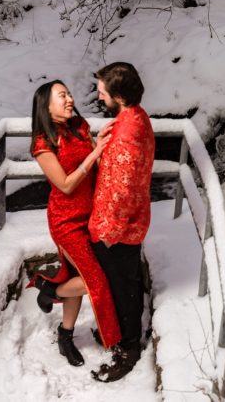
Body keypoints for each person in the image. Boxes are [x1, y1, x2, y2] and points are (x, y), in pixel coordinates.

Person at [27, 80, 122, 367]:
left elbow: (92, 159)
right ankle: (50, 290)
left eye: (69, 93)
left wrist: (98, 141)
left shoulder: (79, 125)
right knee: (95, 281)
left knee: (78, 275)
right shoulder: (42, 142)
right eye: (62, 96)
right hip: (66, 221)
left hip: (91, 215)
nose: (70, 99)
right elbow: (66, 185)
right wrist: (95, 152)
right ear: (46, 105)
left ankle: (65, 334)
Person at [88, 62, 155, 383]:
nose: (100, 97)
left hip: (118, 229)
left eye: (103, 92)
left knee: (123, 289)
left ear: (117, 94)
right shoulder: (133, 118)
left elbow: (125, 187)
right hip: (119, 223)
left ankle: (128, 349)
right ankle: (116, 334)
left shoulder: (130, 131)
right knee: (120, 285)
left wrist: (110, 233)